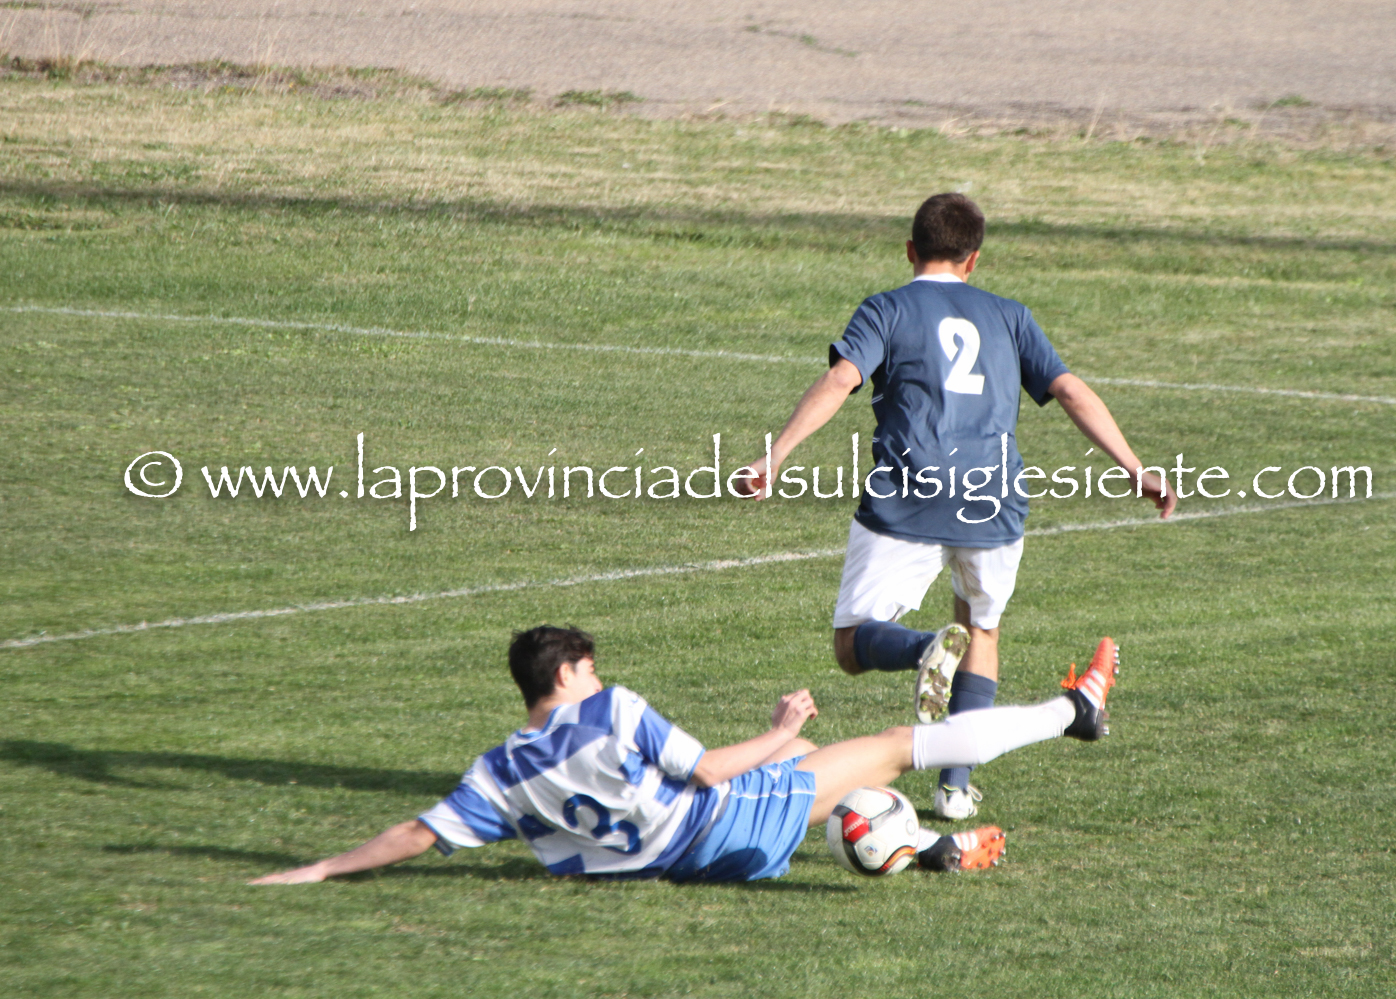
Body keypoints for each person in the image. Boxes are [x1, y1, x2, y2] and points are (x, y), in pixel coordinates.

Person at [736, 193, 1174, 820]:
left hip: (909, 495)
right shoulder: (1010, 315)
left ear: (910, 250)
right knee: (980, 630)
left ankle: (922, 649)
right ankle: (954, 789)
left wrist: (774, 456)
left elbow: (840, 379)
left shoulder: (886, 309)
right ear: (974, 260)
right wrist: (1135, 467)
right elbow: (1070, 389)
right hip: (993, 500)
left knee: (852, 645)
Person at [250, 625, 1120, 885]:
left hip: (663, 860)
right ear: (567, 674)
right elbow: (705, 772)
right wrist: (775, 725)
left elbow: (417, 833)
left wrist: (322, 866)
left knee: (813, 757)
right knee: (894, 747)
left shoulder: (499, 771)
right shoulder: (612, 709)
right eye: (590, 668)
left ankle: (921, 846)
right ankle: (1071, 711)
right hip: (716, 828)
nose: (600, 677)